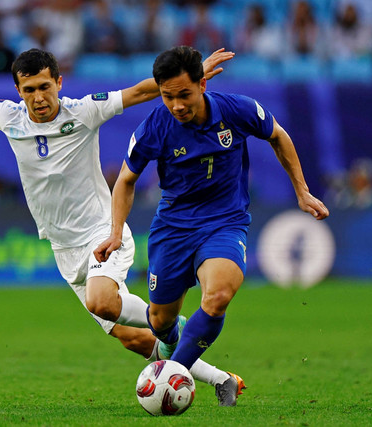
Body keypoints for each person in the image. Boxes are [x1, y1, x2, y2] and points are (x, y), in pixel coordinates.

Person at [0, 47, 246, 405]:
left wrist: (194, 77)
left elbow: (139, 91)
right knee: (131, 338)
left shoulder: (85, 112)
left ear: (59, 83)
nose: (38, 97)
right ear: (18, 91)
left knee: (101, 301)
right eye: (30, 89)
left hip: (103, 232)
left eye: (45, 87)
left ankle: (169, 325)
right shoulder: (8, 117)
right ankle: (220, 378)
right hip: (63, 247)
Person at [94, 46, 329, 381]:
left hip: (225, 223)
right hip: (173, 227)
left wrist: (302, 191)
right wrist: (116, 231)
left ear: (202, 85)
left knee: (217, 296)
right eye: (167, 96)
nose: (176, 106)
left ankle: (173, 374)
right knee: (160, 321)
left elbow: (278, 136)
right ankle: (170, 346)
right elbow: (126, 180)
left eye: (184, 95)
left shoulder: (237, 110)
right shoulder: (154, 127)